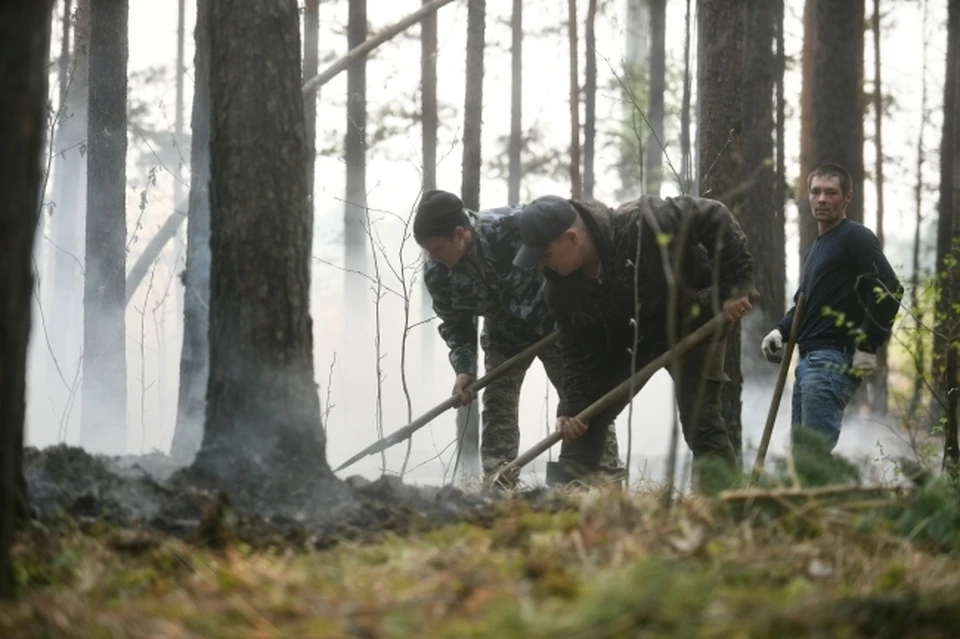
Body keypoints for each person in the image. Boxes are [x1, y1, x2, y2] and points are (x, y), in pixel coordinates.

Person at [512, 192, 756, 490]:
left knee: (701, 420)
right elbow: (576, 350)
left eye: (545, 256)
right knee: (585, 419)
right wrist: (571, 405)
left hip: (694, 319)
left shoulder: (644, 223)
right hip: (630, 337)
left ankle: (725, 506)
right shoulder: (559, 290)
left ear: (572, 238)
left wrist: (737, 285)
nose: (542, 266)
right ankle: (562, 504)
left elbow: (714, 215)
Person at [415, 189, 624, 483]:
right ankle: (500, 485)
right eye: (427, 251)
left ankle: (607, 479)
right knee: (498, 410)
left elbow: (568, 240)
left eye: (437, 249)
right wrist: (464, 369)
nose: (432, 257)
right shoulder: (437, 273)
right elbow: (455, 323)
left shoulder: (512, 224)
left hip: (557, 330)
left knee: (582, 402)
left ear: (459, 234)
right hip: (504, 337)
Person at [761, 163, 902, 453]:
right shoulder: (815, 249)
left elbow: (890, 289)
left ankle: (831, 498)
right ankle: (810, 500)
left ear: (847, 197)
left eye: (831, 192)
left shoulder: (855, 237)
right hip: (808, 362)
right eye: (815, 192)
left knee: (813, 456)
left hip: (831, 361)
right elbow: (803, 303)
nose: (822, 199)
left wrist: (867, 344)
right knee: (803, 456)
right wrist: (779, 330)